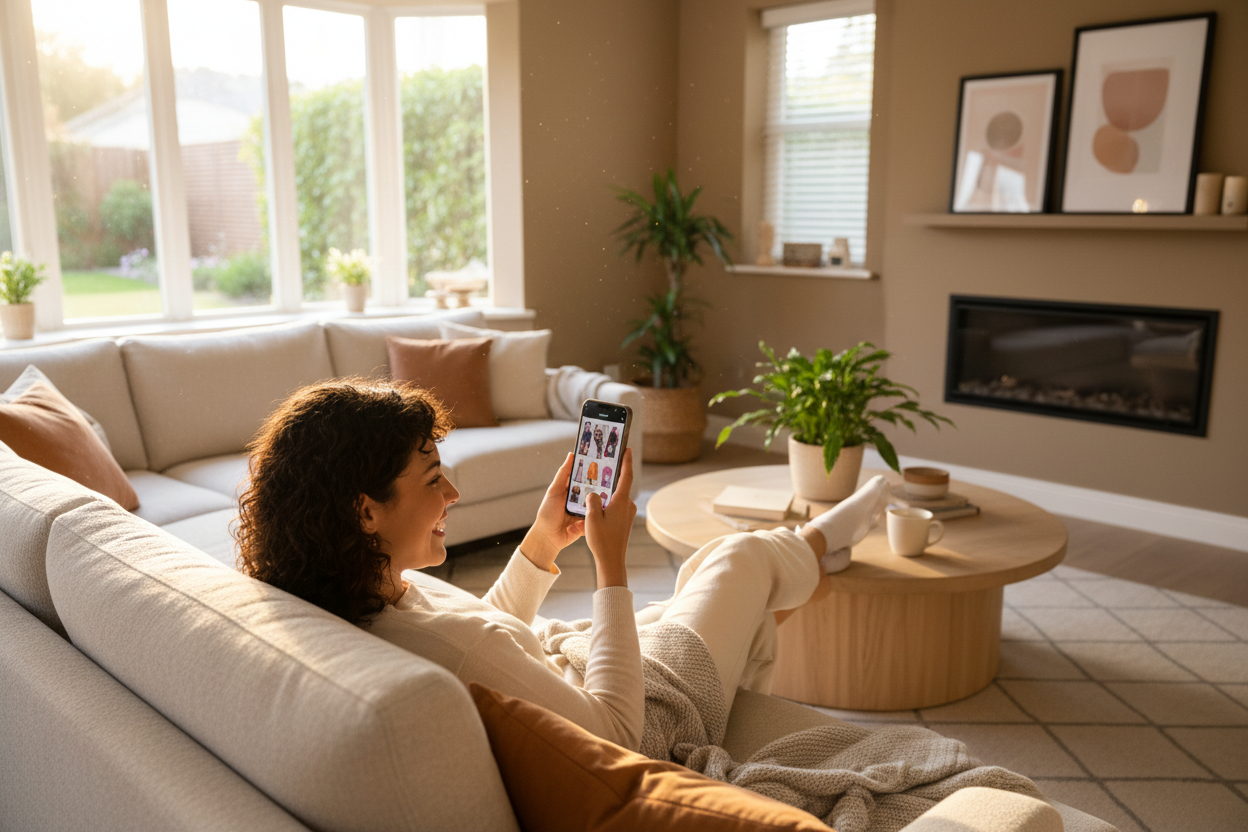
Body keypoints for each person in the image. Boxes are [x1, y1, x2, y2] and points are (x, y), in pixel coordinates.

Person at [237, 379, 890, 755]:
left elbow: (474, 636)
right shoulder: (450, 648)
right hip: (647, 719)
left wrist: (543, 543)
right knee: (737, 556)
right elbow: (616, 736)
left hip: (566, 670)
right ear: (365, 511)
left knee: (707, 590)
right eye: (434, 479)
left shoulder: (351, 597)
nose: (453, 497)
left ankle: (814, 551)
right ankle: (824, 539)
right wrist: (610, 567)